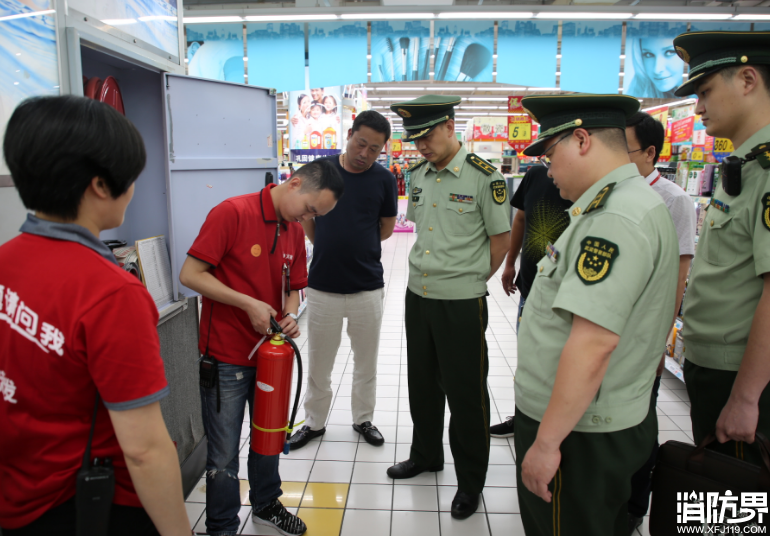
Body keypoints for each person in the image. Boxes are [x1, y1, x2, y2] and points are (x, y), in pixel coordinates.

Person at [0, 96, 189, 535]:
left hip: (17, 494)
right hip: (90, 506)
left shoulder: (6, 261)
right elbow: (144, 449)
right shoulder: (111, 293)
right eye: (132, 177)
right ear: (101, 185)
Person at [514, 94, 680, 536]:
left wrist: (547, 444)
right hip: (599, 418)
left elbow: (593, 342)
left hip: (578, 432)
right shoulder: (630, 202)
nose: (548, 171)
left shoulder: (613, 218)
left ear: (582, 140)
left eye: (551, 155)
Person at [178, 160, 344, 536]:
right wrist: (246, 303)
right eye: (310, 208)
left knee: (269, 436)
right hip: (225, 358)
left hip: (272, 357)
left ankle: (267, 503)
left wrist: (289, 314)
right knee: (222, 456)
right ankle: (221, 525)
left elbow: (292, 289)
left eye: (316, 214)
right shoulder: (232, 213)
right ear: (295, 183)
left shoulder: (293, 229)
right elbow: (190, 275)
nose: (309, 218)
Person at [385, 95, 512, 520]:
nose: (420, 146)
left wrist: (472, 280)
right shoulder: (418, 175)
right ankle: (426, 455)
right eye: (414, 138)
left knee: (466, 393)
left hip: (461, 302)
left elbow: (500, 241)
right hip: (418, 295)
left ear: (450, 125)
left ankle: (470, 480)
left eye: (427, 135)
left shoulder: (485, 177)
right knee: (421, 383)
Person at [672, 31, 770, 466]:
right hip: (718, 368)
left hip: (742, 378)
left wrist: (747, 398)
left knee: (737, 510)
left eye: (706, 91)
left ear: (748, 79)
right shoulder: (746, 166)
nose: (698, 107)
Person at [289, 110, 397, 450]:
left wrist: (357, 244)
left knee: (367, 361)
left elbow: (387, 228)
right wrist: (326, 242)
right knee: (320, 362)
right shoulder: (321, 171)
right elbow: (307, 218)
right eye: (361, 143)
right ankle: (314, 423)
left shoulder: (384, 180)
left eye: (374, 149)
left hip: (368, 286)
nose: (365, 153)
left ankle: (363, 418)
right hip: (323, 286)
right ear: (349, 134)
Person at [625, 111, 696, 534]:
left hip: (645, 335)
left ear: (651, 153)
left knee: (639, 422)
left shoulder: (675, 200)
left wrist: (658, 343)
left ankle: (636, 502)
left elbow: (679, 273)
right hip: (608, 332)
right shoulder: (612, 193)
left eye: (626, 150)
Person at [489, 165, 572, 439]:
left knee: (563, 363)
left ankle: (555, 427)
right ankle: (523, 417)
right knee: (527, 358)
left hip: (567, 295)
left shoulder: (588, 182)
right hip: (530, 286)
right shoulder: (536, 175)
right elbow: (521, 219)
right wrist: (510, 262)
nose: (551, 163)